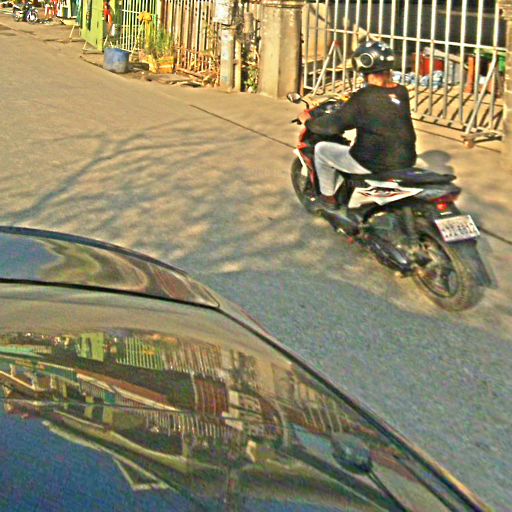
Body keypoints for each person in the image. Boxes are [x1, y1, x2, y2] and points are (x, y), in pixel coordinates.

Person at [304, 41, 417, 214]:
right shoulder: (401, 91)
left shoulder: (363, 97)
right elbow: (381, 110)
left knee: (321, 150)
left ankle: (328, 199)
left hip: (372, 163)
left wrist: (308, 121)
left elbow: (333, 126)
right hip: (406, 160)